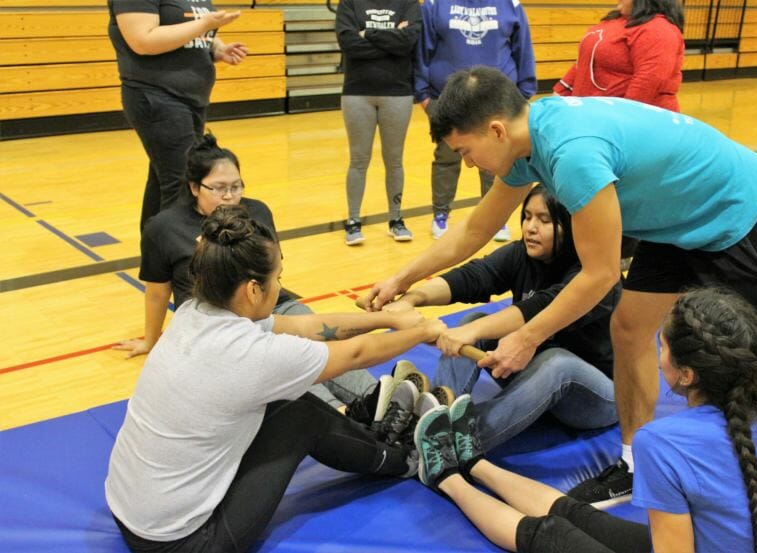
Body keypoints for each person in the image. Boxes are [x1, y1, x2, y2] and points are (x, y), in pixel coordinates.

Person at [363, 66, 757, 504]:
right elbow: (473, 232)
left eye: (465, 152)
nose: (467, 164)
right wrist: (401, 278)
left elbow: (601, 274)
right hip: (677, 223)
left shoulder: (572, 155)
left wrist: (527, 337)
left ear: (496, 131)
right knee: (629, 329)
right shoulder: (526, 143)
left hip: (740, 210)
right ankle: (634, 465)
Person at [105, 205, 445, 552]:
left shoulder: (193, 311)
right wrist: (422, 331)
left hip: (129, 509)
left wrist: (388, 318)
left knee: (283, 402)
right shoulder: (254, 356)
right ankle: (406, 460)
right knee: (300, 416)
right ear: (253, 290)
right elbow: (356, 354)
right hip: (183, 543)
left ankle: (369, 432)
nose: (279, 285)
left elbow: (306, 327)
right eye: (277, 277)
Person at [414, 288, 757, 553]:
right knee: (577, 514)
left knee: (551, 534)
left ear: (685, 373)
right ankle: (473, 462)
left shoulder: (662, 441)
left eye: (663, 343)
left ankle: (446, 476)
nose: (658, 350)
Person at [114, 133, 377, 412]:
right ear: (194, 187)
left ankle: (381, 399)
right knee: (288, 365)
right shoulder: (164, 228)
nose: (229, 196)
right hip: (222, 327)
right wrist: (151, 341)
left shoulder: (257, 211)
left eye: (236, 186)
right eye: (218, 188)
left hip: (272, 307)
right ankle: (345, 416)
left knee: (324, 343)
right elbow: (157, 294)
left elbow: (273, 273)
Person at [383, 185, 618, 450]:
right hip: (531, 372)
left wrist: (473, 332)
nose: (530, 227)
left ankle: (453, 442)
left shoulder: (594, 274)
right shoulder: (522, 253)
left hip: (598, 397)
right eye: (527, 217)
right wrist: (413, 297)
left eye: (544, 220)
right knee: (474, 320)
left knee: (557, 363)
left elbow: (541, 307)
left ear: (570, 226)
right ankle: (432, 416)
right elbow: (473, 277)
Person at [108, 0, 248, 231]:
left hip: (190, 99)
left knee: (165, 180)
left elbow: (187, 34)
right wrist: (203, 24)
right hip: (157, 96)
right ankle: (180, 260)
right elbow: (143, 40)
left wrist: (216, 49)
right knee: (184, 183)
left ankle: (155, 255)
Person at [414, 0, 536, 241]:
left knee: (496, 159)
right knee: (447, 157)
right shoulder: (434, 4)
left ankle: (495, 218)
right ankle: (440, 214)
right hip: (446, 97)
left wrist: (523, 92)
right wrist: (424, 95)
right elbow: (422, 51)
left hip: (497, 101)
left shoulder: (510, 4)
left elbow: (523, 49)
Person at [336, 0, 423, 245]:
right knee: (358, 160)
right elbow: (349, 44)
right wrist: (392, 38)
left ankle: (396, 220)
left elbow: (408, 42)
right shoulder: (350, 3)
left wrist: (368, 33)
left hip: (398, 93)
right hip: (357, 94)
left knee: (394, 161)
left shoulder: (408, 3)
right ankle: (353, 222)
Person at [553, 0, 684, 112]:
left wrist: (618, 119)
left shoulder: (659, 29)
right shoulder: (616, 20)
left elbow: (647, 82)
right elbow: (585, 61)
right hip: (593, 115)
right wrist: (561, 92)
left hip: (633, 124)